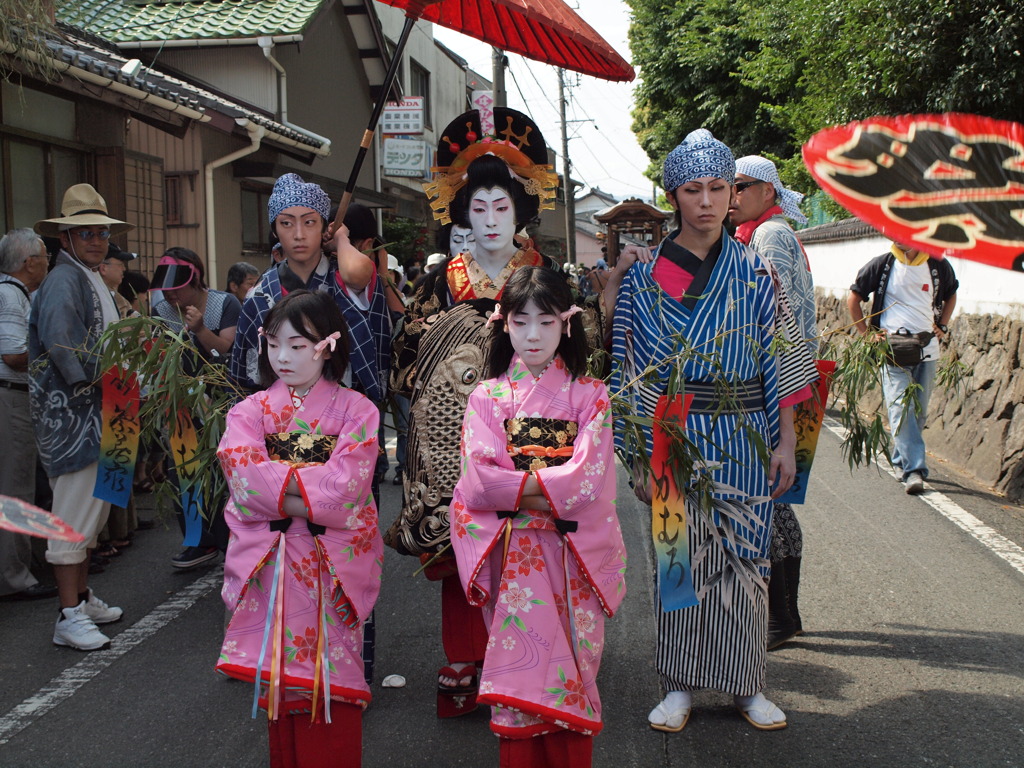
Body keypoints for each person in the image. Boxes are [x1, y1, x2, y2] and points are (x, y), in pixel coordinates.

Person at [610, 129, 817, 732]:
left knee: (746, 561)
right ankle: (679, 685)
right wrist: (639, 457)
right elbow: (629, 370)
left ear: (733, 193)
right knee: (679, 559)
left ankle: (747, 684)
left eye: (718, 188)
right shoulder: (647, 278)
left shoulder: (756, 272)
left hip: (748, 428)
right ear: (673, 195)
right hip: (674, 429)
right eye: (692, 189)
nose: (705, 201)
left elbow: (783, 357)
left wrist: (784, 442)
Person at [387, 105, 561, 718]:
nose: (490, 220)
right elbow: (407, 358)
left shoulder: (541, 277)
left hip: (523, 433)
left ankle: (521, 653)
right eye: (479, 208)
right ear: (463, 214)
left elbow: (569, 355)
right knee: (460, 541)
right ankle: (464, 655)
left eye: (502, 208)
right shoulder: (439, 284)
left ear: (520, 214)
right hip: (451, 437)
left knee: (521, 544)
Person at [450, 266, 626, 767]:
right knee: (520, 680)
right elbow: (478, 483)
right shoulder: (486, 398)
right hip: (513, 563)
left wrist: (516, 491)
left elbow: (587, 483)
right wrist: (549, 491)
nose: (532, 335)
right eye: (520, 321)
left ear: (566, 324)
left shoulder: (591, 396)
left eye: (546, 321)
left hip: (572, 561)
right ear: (503, 325)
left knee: (571, 674)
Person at [216, 290, 382, 768]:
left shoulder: (357, 410)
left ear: (328, 345)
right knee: (283, 684)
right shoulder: (249, 411)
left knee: (330, 681)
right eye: (273, 344)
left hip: (329, 568)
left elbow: (348, 490)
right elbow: (242, 482)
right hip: (276, 564)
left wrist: (282, 496)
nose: (282, 357)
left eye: (297, 345)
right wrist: (310, 497)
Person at [31, 183, 130, 650]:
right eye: (84, 232)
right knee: (74, 512)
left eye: (101, 232)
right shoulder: (63, 280)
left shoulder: (90, 276)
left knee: (94, 509)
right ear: (65, 239)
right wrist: (97, 383)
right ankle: (67, 613)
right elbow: (63, 345)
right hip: (79, 414)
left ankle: (83, 597)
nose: (96, 240)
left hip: (108, 408)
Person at [729, 155, 817, 650]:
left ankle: (782, 617)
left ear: (767, 192)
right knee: (776, 496)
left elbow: (776, 322)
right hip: (789, 382)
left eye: (739, 186)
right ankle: (786, 615)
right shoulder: (765, 234)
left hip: (785, 384)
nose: (731, 196)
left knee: (773, 494)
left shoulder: (769, 238)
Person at [231, 174, 375, 396]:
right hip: (279, 417)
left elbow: (359, 274)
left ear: (324, 228)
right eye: (286, 223)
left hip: (344, 412)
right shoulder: (258, 296)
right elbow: (245, 379)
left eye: (309, 222)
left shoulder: (343, 281)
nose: (298, 235)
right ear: (274, 231)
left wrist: (341, 239)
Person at [150, 247, 242, 568]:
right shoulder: (161, 311)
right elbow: (156, 359)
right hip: (182, 403)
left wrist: (201, 329)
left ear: (197, 278)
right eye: (166, 286)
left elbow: (229, 350)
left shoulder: (224, 304)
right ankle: (197, 541)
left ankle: (233, 538)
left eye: (179, 285)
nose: (172, 293)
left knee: (224, 472)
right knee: (184, 471)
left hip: (220, 401)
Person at [847, 242, 958, 494]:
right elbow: (853, 298)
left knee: (918, 410)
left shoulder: (937, 264)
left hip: (927, 348)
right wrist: (866, 335)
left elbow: (951, 293)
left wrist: (943, 324)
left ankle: (900, 460)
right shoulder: (883, 264)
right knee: (900, 406)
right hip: (891, 348)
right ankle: (914, 470)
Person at [0, 228, 55, 602]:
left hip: (20, 397)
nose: (48, 263)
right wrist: (59, 349)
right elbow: (14, 356)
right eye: (44, 257)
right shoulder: (8, 296)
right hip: (12, 397)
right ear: (29, 262)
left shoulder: (17, 294)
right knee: (15, 487)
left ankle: (28, 565)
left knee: (27, 483)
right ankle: (14, 577)